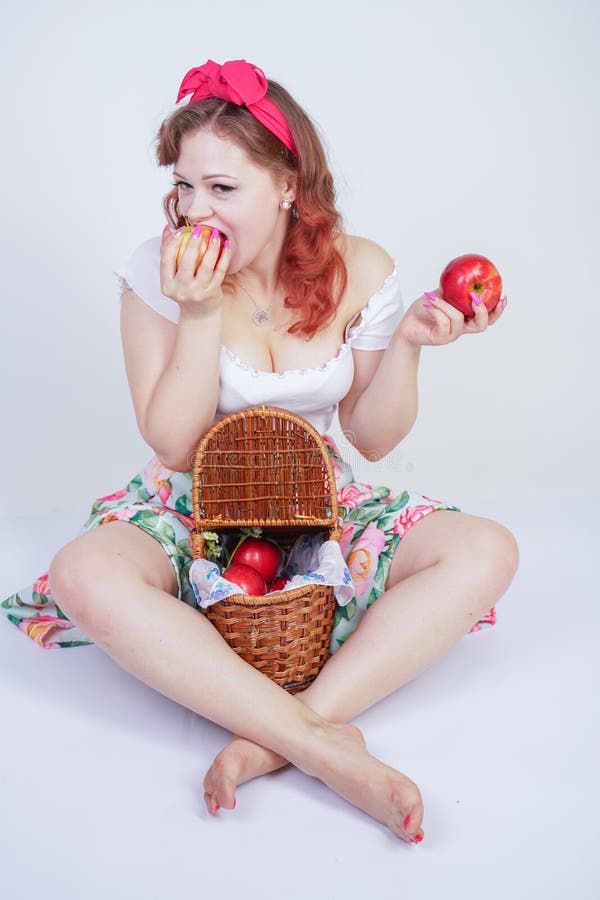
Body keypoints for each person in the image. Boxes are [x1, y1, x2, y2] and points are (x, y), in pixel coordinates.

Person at [1, 58, 519, 843]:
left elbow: (373, 439)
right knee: (83, 573)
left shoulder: (363, 267)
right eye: (184, 186)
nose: (194, 211)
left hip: (318, 498)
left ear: (286, 185)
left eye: (222, 189)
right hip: (195, 501)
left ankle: (280, 736)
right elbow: (173, 443)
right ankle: (322, 749)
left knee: (488, 550)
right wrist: (198, 312)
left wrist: (411, 342)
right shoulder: (156, 272)